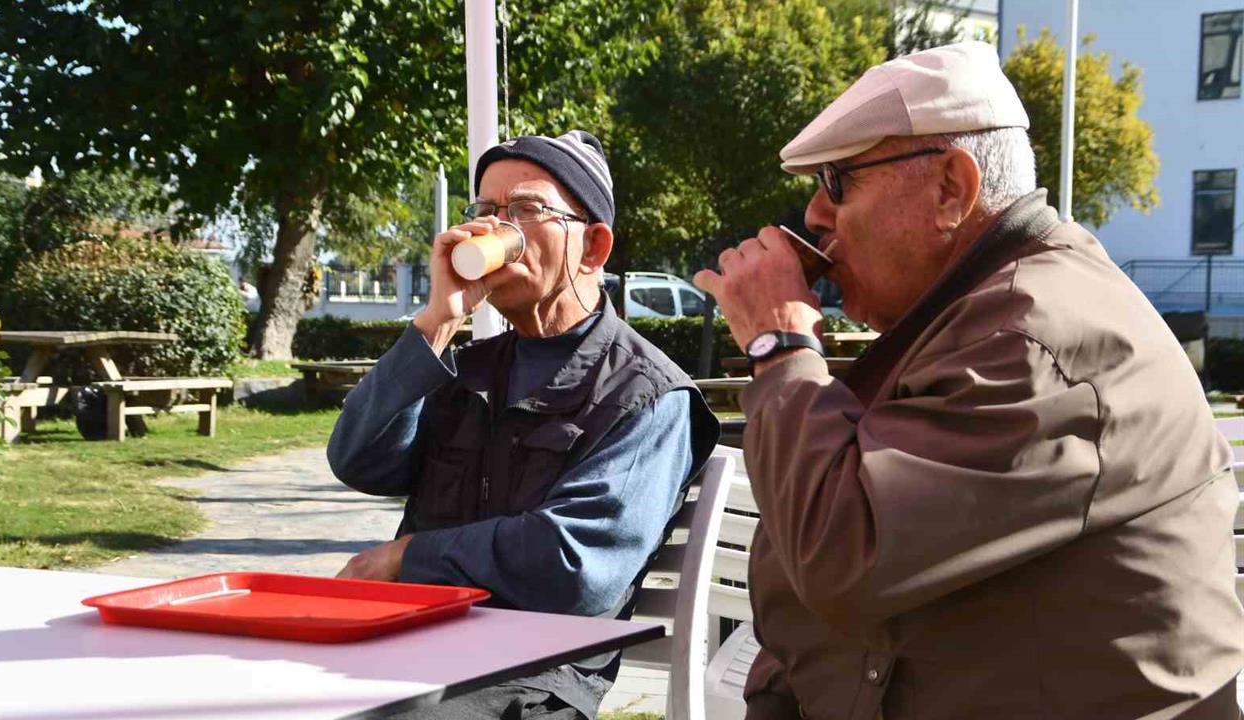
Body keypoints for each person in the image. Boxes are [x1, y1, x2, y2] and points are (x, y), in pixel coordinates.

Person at [693, 41, 1244, 719]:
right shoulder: (971, 315)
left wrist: (780, 348)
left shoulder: (1031, 341)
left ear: (952, 188)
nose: (814, 215)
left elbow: (841, 556)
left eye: (837, 181)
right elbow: (809, 589)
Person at [327, 129, 719, 720]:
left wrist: (407, 557)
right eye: (484, 210)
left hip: (534, 675)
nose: (494, 228)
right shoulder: (468, 369)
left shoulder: (645, 393)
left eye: (526, 209)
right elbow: (359, 460)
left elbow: (576, 565)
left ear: (593, 247)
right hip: (415, 640)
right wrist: (436, 324)